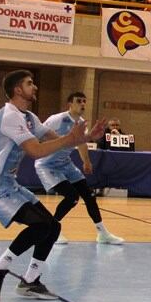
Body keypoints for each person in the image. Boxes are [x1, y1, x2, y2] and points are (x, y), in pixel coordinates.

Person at [0, 70, 104, 302]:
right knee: (40, 226)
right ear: (18, 90)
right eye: (29, 84)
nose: (34, 87)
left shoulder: (28, 117)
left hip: (9, 185)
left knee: (52, 227)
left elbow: (56, 139)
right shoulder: (9, 116)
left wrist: (86, 139)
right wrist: (69, 139)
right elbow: (35, 150)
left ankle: (30, 281)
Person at [35, 92, 123, 245]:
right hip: (47, 165)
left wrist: (86, 161)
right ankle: (52, 229)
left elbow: (81, 143)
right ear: (70, 104)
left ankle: (102, 233)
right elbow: (39, 136)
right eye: (79, 101)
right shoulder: (57, 119)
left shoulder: (81, 122)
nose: (82, 104)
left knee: (89, 196)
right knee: (72, 197)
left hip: (66, 163)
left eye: (84, 101)